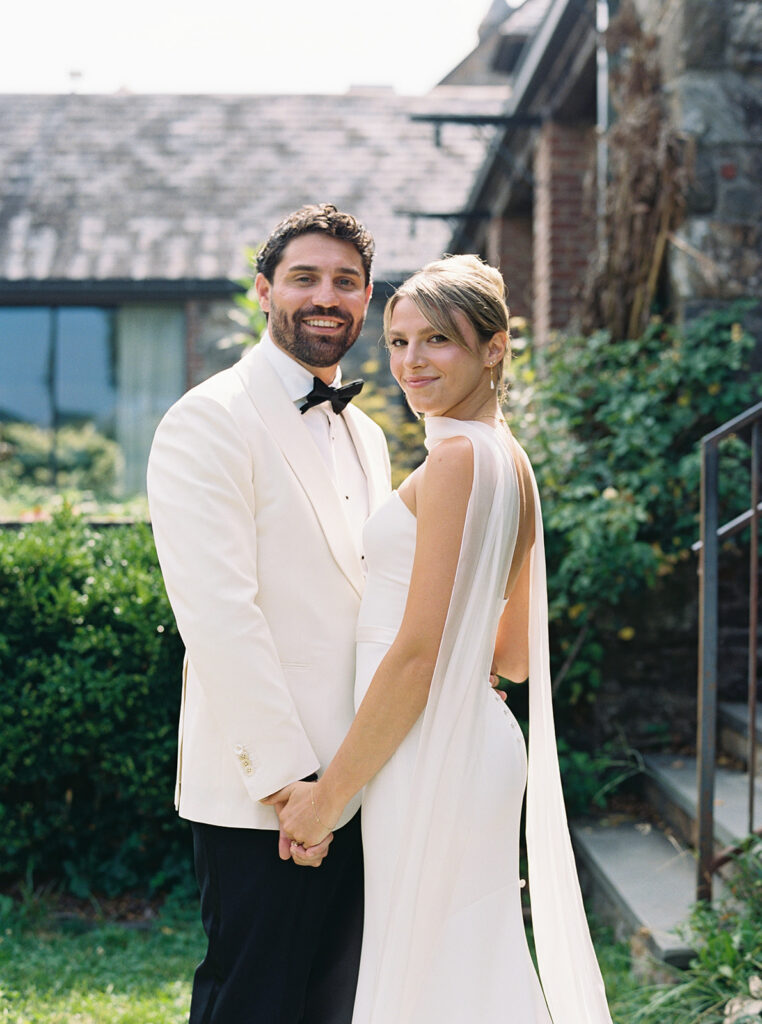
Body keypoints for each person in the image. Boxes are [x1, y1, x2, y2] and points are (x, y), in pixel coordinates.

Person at [270, 255, 613, 1023]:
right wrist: (463, 665)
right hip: (474, 747)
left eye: (438, 341)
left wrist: (328, 801)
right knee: (466, 969)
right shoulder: (510, 461)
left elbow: (419, 656)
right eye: (397, 341)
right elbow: (514, 658)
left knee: (432, 979)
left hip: (431, 751)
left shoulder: (457, 459)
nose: (410, 362)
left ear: (494, 348)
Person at [146, 204, 392, 1024]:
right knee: (254, 1002)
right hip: (267, 795)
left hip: (365, 776)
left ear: (366, 300)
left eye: (346, 283)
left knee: (338, 1002)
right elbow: (220, 618)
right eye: (305, 278)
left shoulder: (368, 433)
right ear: (263, 290)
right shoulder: (208, 420)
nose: (327, 296)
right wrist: (294, 789)